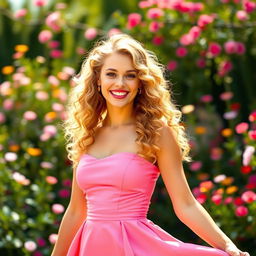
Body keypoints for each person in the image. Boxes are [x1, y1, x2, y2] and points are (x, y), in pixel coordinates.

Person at [51, 34, 250, 256]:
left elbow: (185, 204)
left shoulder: (157, 133)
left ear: (141, 82)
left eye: (130, 75)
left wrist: (226, 245)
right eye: (111, 74)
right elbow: (76, 211)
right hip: (90, 247)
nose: (120, 83)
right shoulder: (88, 135)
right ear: (98, 79)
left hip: (135, 246)